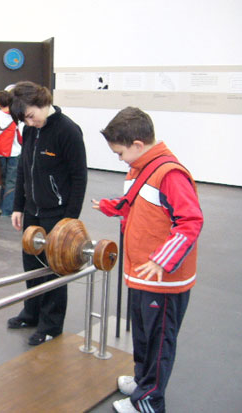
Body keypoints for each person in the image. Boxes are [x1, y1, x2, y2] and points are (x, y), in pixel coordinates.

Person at [92, 107, 203, 413]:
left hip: (162, 280)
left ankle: (150, 400)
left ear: (138, 145)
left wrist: (161, 261)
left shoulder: (170, 173)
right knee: (141, 334)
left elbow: (190, 221)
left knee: (157, 343)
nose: (119, 159)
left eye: (120, 152)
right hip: (140, 273)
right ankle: (143, 381)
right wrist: (108, 206)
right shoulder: (140, 168)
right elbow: (135, 204)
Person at [8, 81, 87, 346]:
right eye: (24, 120)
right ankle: (31, 312)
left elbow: (79, 178)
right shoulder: (30, 131)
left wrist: (69, 220)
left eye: (30, 116)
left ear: (42, 103)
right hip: (32, 212)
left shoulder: (68, 131)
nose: (29, 123)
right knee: (31, 266)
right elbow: (22, 169)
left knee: (54, 269)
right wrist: (18, 205)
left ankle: (51, 325)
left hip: (58, 214)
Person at [0, 90, 23, 217]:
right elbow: (22, 136)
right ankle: (7, 210)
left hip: (1, 152)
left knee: (4, 180)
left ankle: (4, 207)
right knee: (11, 181)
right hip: (15, 152)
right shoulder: (17, 115)